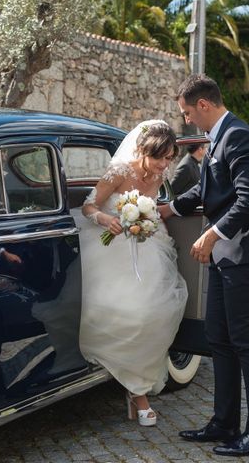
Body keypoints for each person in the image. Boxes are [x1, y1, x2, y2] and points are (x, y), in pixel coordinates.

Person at [159, 74, 249, 456]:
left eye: (187, 113)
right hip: (226, 255)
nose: (188, 121)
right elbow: (207, 189)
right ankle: (224, 422)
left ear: (205, 105)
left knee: (245, 342)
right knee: (219, 339)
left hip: (247, 252)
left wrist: (212, 235)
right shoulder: (218, 138)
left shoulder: (240, 136)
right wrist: (169, 209)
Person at [76, 120, 188, 427]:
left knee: (158, 312)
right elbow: (89, 206)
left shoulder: (159, 175)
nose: (164, 165)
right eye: (160, 158)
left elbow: (151, 208)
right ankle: (138, 394)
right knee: (127, 313)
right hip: (109, 250)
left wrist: (147, 220)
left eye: (169, 158)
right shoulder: (119, 172)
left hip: (147, 248)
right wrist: (104, 219)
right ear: (142, 150)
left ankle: (136, 386)